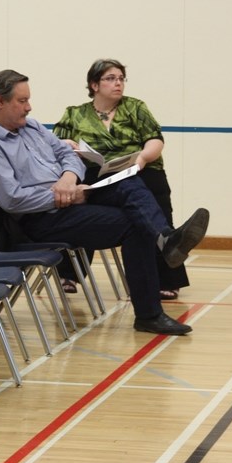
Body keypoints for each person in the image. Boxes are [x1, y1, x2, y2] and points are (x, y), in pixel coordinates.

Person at [0, 70, 210, 336]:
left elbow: (66, 153)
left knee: (126, 181)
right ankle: (150, 310)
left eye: (28, 100)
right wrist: (70, 195)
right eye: (22, 101)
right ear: (0, 101)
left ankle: (166, 239)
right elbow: (13, 199)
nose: (29, 107)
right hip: (40, 219)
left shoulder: (32, 127)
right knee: (134, 224)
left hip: (69, 196)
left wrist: (68, 178)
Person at [53, 58, 190, 300]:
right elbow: (54, 144)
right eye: (110, 78)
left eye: (121, 79)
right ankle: (69, 273)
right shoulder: (75, 114)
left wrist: (142, 158)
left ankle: (168, 276)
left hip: (139, 168)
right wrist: (66, 144)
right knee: (81, 206)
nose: (118, 83)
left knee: (155, 201)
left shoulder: (135, 107)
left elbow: (155, 140)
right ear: (94, 85)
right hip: (97, 172)